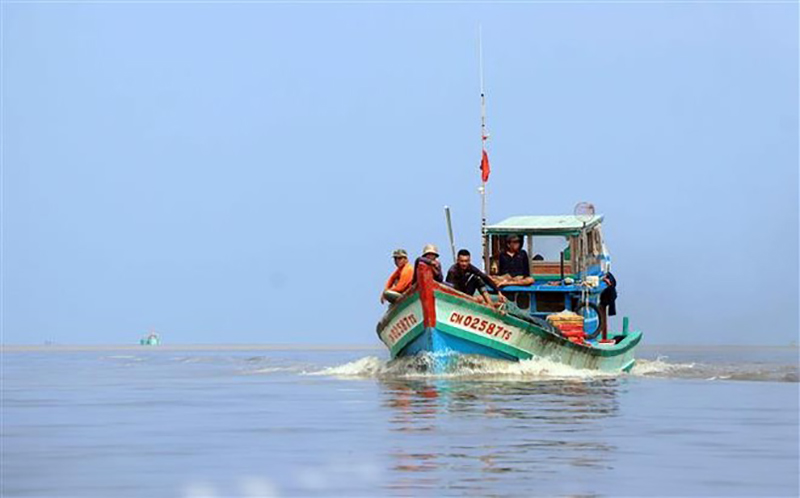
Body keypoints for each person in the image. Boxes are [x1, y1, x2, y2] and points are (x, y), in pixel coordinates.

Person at [599, 272, 617, 337]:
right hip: (605, 300)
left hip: (604, 301)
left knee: (602, 318)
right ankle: (603, 336)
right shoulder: (609, 277)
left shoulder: (609, 278)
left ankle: (603, 336)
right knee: (602, 318)